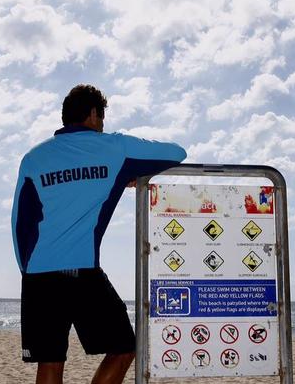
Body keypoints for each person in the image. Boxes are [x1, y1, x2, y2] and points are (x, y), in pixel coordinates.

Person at [11, 84, 187, 384]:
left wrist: (28, 270)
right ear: (93, 114)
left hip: (39, 275)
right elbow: (176, 153)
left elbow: (19, 222)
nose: (103, 124)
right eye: (101, 117)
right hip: (82, 272)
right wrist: (123, 175)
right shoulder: (114, 148)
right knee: (123, 349)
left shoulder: (34, 158)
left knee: (50, 363)